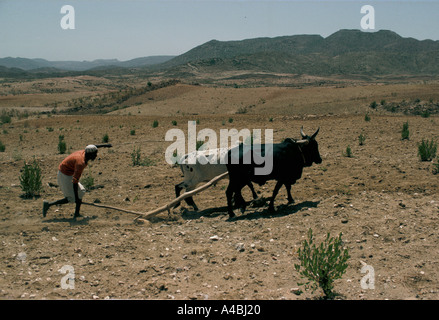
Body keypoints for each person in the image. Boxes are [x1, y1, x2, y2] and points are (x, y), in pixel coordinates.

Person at [43, 144, 102, 219]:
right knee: (71, 198)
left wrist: (105, 145)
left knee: (81, 191)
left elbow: (94, 146)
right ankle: (48, 204)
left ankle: (77, 214)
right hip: (64, 175)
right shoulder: (80, 163)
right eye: (95, 154)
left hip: (69, 173)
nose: (96, 156)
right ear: (90, 155)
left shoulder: (85, 152)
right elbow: (74, 182)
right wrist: (77, 199)